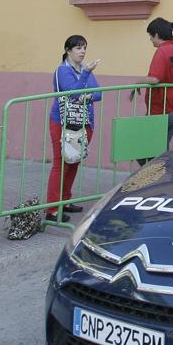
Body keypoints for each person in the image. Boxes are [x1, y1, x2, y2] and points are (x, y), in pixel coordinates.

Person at [47, 35, 102, 219]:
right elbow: (73, 94)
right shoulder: (63, 70)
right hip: (64, 122)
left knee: (75, 160)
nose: (83, 51)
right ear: (68, 50)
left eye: (84, 47)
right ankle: (52, 209)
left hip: (84, 122)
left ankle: (65, 199)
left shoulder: (85, 69)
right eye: (78, 48)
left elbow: (98, 93)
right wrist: (85, 77)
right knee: (61, 162)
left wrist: (85, 95)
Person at [131, 17, 173, 165]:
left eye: (151, 36)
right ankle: (160, 176)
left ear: (157, 34)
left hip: (161, 110)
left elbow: (155, 79)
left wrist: (137, 81)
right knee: (158, 150)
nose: (150, 40)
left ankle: (162, 177)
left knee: (144, 151)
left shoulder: (163, 51)